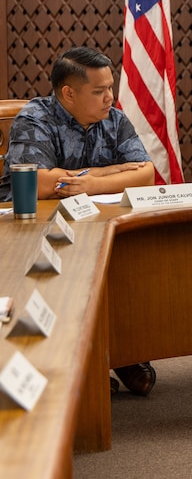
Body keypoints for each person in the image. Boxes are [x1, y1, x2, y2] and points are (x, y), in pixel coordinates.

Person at [0, 46, 158, 396]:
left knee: (130, 258)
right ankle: (83, 363)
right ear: (68, 93)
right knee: (70, 275)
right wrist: (110, 171)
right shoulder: (36, 117)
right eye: (99, 91)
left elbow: (145, 174)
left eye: (110, 88)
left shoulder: (114, 119)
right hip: (32, 230)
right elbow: (40, 182)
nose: (109, 98)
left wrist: (87, 184)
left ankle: (120, 351)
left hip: (94, 221)